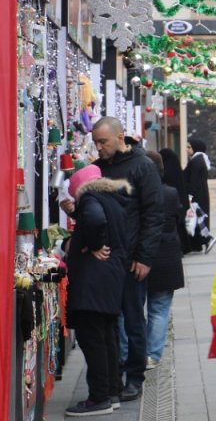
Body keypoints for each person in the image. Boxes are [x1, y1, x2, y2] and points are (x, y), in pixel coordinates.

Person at [91, 116, 164, 400]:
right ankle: (112, 376)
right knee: (106, 321)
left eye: (103, 142)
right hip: (104, 259)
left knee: (134, 320)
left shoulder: (142, 166)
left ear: (120, 138)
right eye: (96, 142)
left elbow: (154, 215)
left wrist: (144, 257)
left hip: (132, 258)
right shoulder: (97, 169)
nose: (98, 147)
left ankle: (135, 376)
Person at [62, 165, 129, 416]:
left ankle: (99, 397)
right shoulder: (112, 198)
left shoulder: (90, 199)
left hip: (93, 282)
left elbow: (94, 219)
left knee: (93, 340)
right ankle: (112, 391)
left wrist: (94, 245)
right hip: (110, 279)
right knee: (107, 336)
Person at [143, 151, 186, 370]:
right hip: (167, 256)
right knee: (159, 308)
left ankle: (136, 352)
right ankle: (152, 355)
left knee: (133, 308)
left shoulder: (136, 194)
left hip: (141, 258)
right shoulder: (170, 193)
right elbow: (178, 219)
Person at [185, 137, 215, 253]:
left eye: (189, 147)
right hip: (200, 195)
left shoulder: (196, 161)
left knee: (196, 219)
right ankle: (200, 243)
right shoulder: (201, 159)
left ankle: (207, 239)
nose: (187, 150)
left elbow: (193, 181)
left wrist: (189, 196)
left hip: (196, 196)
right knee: (198, 219)